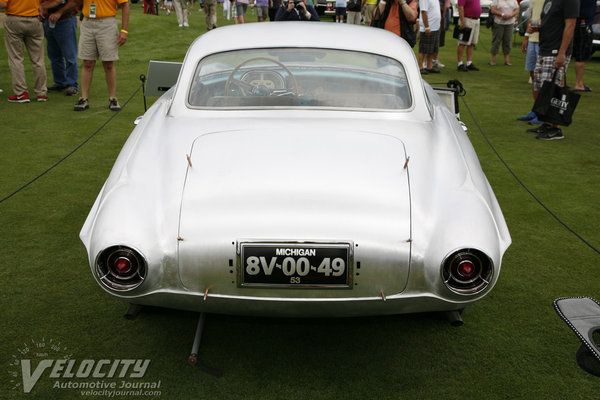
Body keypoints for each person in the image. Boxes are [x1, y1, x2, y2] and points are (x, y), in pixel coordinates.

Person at [525, 0, 578, 140]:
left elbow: (570, 25)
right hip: (545, 48)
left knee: (553, 88)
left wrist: (562, 52)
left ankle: (555, 128)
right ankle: (547, 124)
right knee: (542, 87)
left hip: (556, 50)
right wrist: (537, 29)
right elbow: (550, 22)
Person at [67, 0, 129, 111]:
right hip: (87, 22)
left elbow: (125, 5)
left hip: (107, 23)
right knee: (87, 63)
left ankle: (112, 98)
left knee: (108, 63)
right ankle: (84, 98)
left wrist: (124, 30)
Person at [1, 0, 48, 103]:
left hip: (15, 19)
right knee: (38, 60)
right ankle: (41, 93)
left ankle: (21, 93)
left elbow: (3, 4)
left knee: (16, 58)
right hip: (35, 20)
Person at [517, 0, 544, 124]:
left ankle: (544, 113)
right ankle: (536, 110)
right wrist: (526, 36)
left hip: (544, 39)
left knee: (543, 78)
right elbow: (531, 16)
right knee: (533, 75)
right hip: (533, 38)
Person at [572, 0, 595, 92]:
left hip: (573, 25)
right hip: (583, 25)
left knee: (568, 54)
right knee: (581, 55)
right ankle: (579, 83)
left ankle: (561, 82)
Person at [489, 0, 518, 66]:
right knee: (496, 41)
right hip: (499, 22)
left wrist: (511, 15)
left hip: (510, 23)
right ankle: (492, 60)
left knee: (507, 41)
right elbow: (493, 10)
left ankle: (507, 60)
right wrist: (502, 14)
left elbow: (516, 9)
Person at [456, 0, 481, 71]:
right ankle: (460, 63)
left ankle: (469, 63)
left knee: (471, 43)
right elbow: (460, 7)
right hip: (467, 19)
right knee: (462, 42)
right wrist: (462, 21)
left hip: (476, 20)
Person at [418, 0, 441, 74]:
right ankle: (420, 67)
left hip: (435, 27)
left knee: (433, 49)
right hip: (428, 27)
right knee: (423, 48)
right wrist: (427, 27)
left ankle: (429, 66)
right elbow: (423, 12)